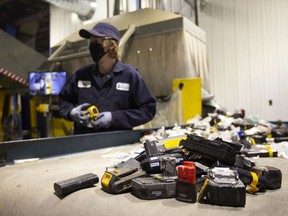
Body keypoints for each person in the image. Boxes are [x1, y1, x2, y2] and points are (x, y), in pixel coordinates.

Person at [59, 22, 156, 135]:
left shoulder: (129, 76)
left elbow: (148, 110)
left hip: (117, 143)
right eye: (91, 41)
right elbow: (63, 100)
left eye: (97, 41)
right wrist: (71, 112)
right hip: (84, 143)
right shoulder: (82, 74)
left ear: (111, 44)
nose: (92, 45)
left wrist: (113, 118)